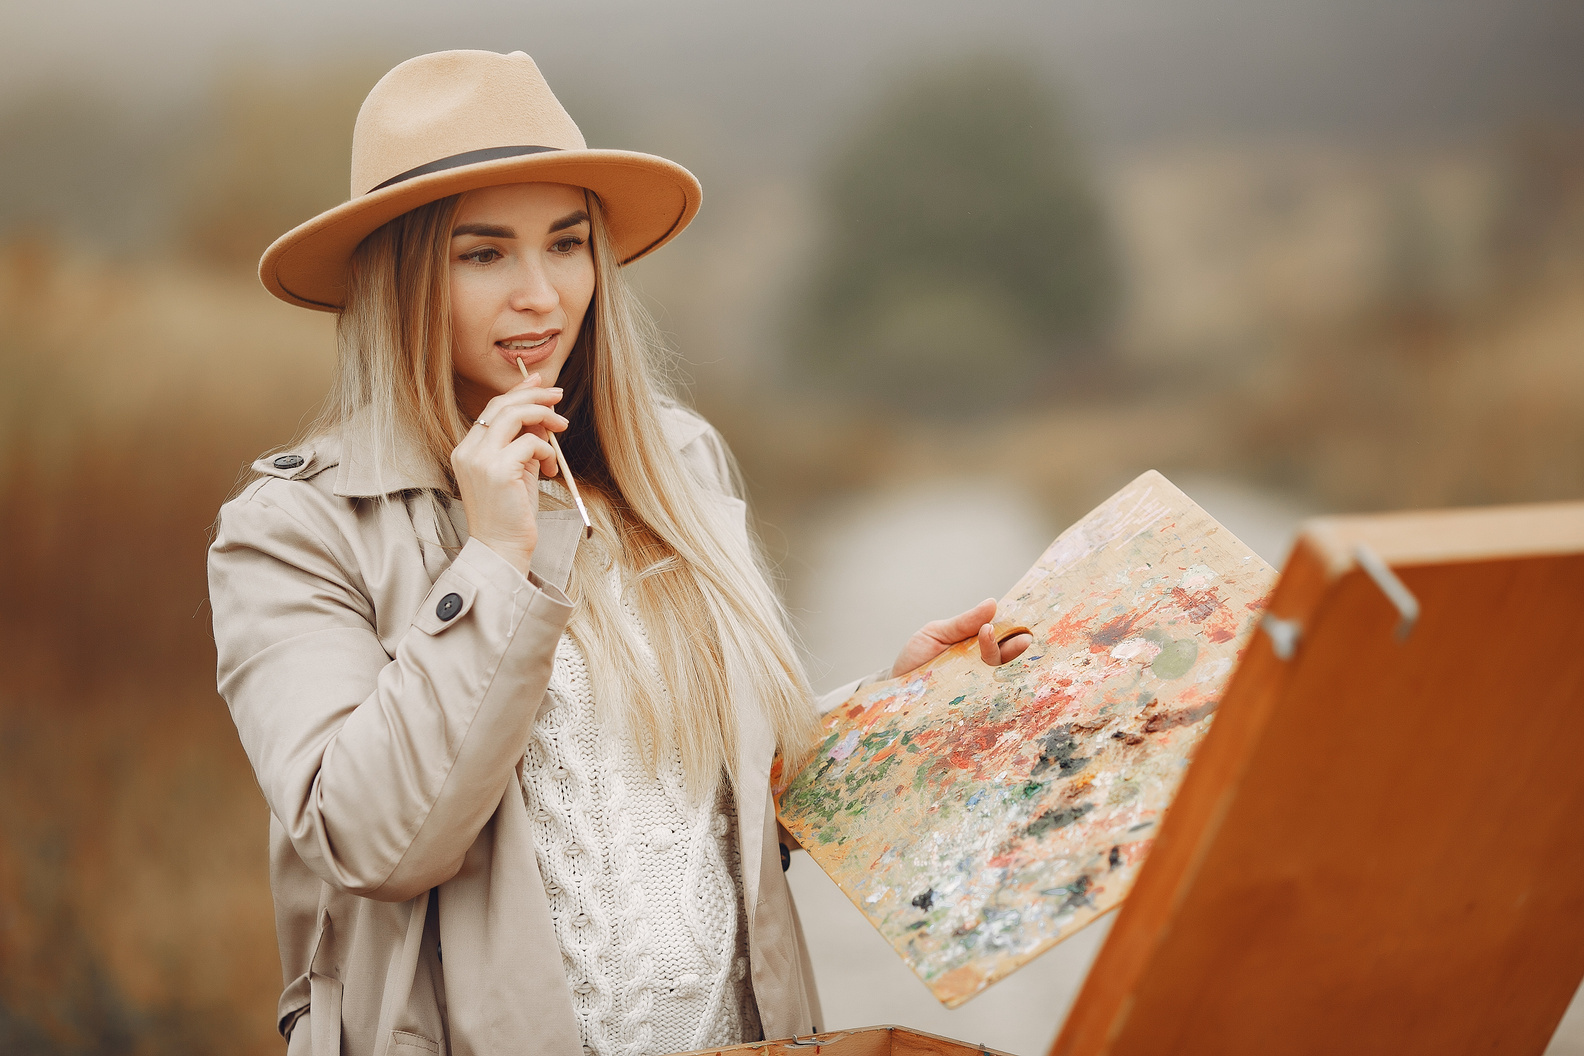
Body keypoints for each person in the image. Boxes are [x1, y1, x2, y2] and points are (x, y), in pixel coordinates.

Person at [208, 49, 1031, 1056]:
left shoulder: (676, 469)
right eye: (484, 254)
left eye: (566, 243)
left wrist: (891, 717)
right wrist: (495, 560)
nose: (542, 295)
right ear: (400, 273)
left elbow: (700, 816)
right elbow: (374, 839)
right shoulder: (298, 529)